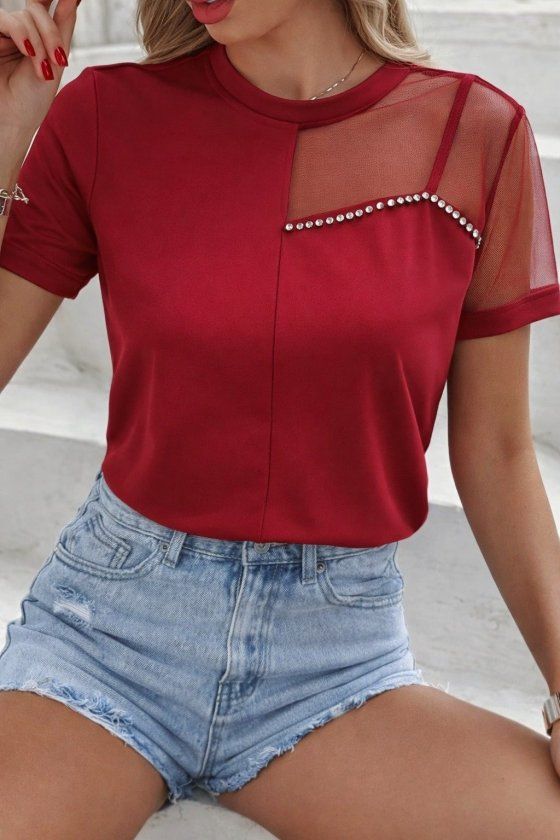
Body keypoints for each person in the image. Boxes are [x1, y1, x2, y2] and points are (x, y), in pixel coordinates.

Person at [1, 0, 560, 836]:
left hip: (336, 666)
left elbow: (499, 452)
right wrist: (7, 133)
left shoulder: (473, 134)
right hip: (107, 640)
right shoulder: (106, 114)